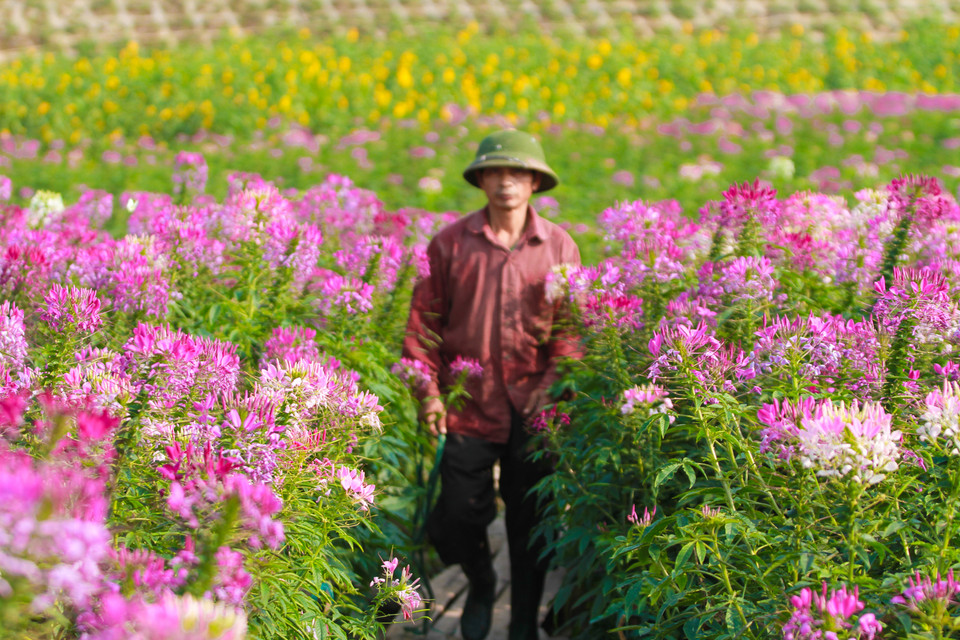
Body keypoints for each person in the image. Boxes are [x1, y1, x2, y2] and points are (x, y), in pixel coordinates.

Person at [402, 129, 581, 640]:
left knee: (531, 522)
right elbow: (423, 327)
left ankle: (523, 619)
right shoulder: (451, 244)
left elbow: (572, 328)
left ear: (534, 183)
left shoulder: (559, 245)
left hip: (535, 406)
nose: (507, 181)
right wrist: (429, 394)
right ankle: (480, 580)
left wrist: (556, 380)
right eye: (497, 171)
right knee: (454, 516)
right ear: (481, 179)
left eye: (518, 172)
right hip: (466, 405)